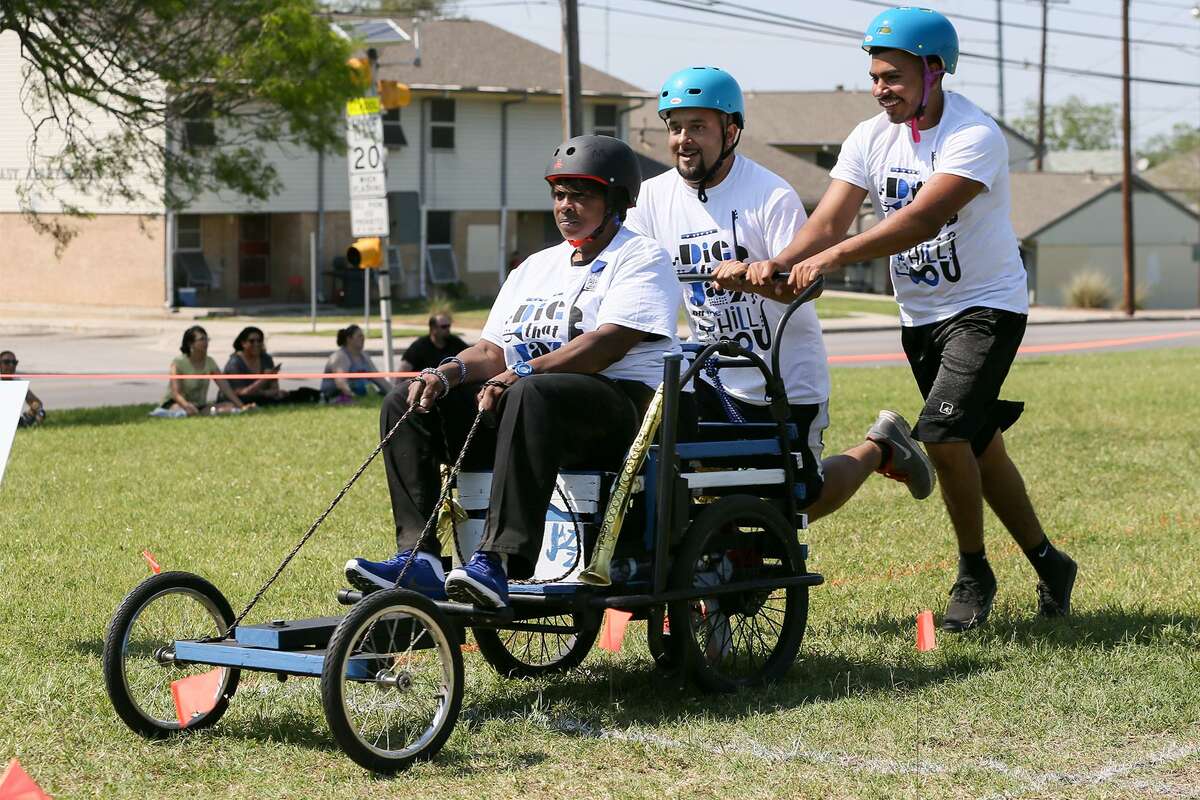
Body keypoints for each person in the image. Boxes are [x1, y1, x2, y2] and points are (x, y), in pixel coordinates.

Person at [736, 7, 1077, 631]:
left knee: (944, 436)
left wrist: (830, 261)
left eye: (892, 75)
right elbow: (830, 221)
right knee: (977, 443)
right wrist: (779, 262)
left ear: (934, 70)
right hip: (920, 315)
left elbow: (918, 220)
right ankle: (1051, 563)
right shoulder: (871, 136)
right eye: (874, 75)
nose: (879, 88)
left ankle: (974, 572)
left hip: (985, 307)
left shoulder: (975, 135)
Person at [345, 134, 680, 609]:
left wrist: (522, 371)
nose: (566, 206)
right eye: (559, 194)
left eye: (581, 194)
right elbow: (490, 349)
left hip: (618, 412)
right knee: (409, 398)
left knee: (532, 393)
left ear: (618, 200)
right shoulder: (535, 268)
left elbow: (606, 345)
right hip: (532, 410)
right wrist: (448, 373)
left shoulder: (640, 257)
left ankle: (498, 562)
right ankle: (418, 557)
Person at [624, 65, 935, 525]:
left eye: (698, 127)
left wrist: (753, 277)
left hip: (781, 380)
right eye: (675, 127)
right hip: (708, 372)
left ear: (731, 131)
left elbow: (808, 285)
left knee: (796, 500)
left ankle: (881, 448)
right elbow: (634, 274)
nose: (683, 140)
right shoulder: (650, 198)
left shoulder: (769, 195)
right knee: (685, 476)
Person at [153, 326, 252, 417]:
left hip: (200, 405)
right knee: (182, 411)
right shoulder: (178, 362)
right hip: (177, 403)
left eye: (206, 339)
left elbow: (225, 388)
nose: (206, 342)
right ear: (190, 343)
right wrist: (186, 405)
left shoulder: (210, 361)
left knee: (229, 406)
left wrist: (241, 406)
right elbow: (176, 393)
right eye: (201, 339)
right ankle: (164, 412)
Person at [222, 327, 320, 406]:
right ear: (243, 343)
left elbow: (274, 388)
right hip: (241, 399)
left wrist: (275, 392)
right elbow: (242, 393)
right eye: (252, 341)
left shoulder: (266, 358)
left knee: (301, 393)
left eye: (259, 341)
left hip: (263, 396)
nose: (256, 344)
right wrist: (265, 380)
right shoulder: (235, 363)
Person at [320, 324, 392, 403]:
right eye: (359, 336)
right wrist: (356, 399)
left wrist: (394, 393)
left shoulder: (364, 356)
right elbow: (341, 384)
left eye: (363, 336)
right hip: (336, 397)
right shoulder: (340, 356)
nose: (363, 339)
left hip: (360, 396)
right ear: (349, 339)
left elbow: (378, 378)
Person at [398, 313, 468, 373]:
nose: (448, 329)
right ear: (433, 328)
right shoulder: (419, 346)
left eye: (449, 326)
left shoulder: (455, 342)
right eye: (444, 327)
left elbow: (470, 356)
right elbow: (402, 371)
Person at [0, 351, 45, 427]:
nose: (11, 365)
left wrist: (34, 410)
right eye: (6, 362)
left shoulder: (17, 382)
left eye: (14, 362)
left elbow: (36, 402)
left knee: (41, 412)